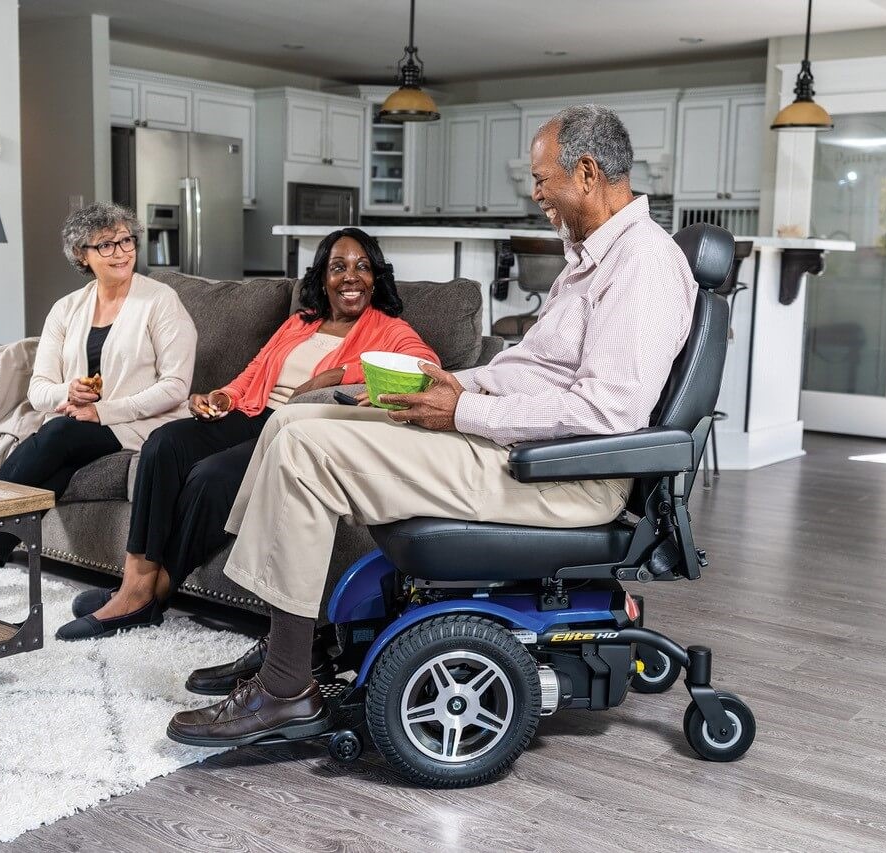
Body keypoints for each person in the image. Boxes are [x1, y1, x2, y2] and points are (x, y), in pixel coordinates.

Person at [166, 104, 699, 747]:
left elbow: (607, 413)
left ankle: (286, 690)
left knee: (305, 448)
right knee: (294, 418)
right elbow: (531, 372)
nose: (535, 195)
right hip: (520, 447)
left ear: (586, 173)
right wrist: (443, 385)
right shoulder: (591, 259)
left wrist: (461, 411)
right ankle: (288, 641)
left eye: (540, 180)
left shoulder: (642, 265)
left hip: (560, 475)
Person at [54, 227, 439, 640]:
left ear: (376, 277)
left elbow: (426, 367)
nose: (351, 277)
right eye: (338, 267)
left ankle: (150, 594)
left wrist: (336, 374)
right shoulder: (301, 323)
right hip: (253, 411)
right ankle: (136, 583)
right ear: (323, 277)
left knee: (212, 476)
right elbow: (256, 372)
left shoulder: (389, 329)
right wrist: (222, 396)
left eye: (362, 267)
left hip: (295, 429)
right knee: (163, 443)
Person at [0, 202, 196, 610]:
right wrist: (69, 392)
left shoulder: (160, 301)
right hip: (78, 426)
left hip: (141, 424)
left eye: (126, 241)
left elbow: (176, 387)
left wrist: (101, 411)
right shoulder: (66, 309)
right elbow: (39, 391)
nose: (121, 252)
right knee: (55, 465)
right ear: (82, 255)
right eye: (106, 245)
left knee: (57, 433)